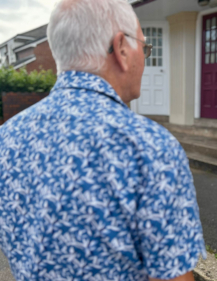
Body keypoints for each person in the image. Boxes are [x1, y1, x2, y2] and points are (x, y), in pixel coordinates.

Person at [0, 0, 206, 280]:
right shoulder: (149, 146)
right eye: (144, 47)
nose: (144, 57)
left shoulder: (6, 138)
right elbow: (172, 275)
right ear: (121, 48)